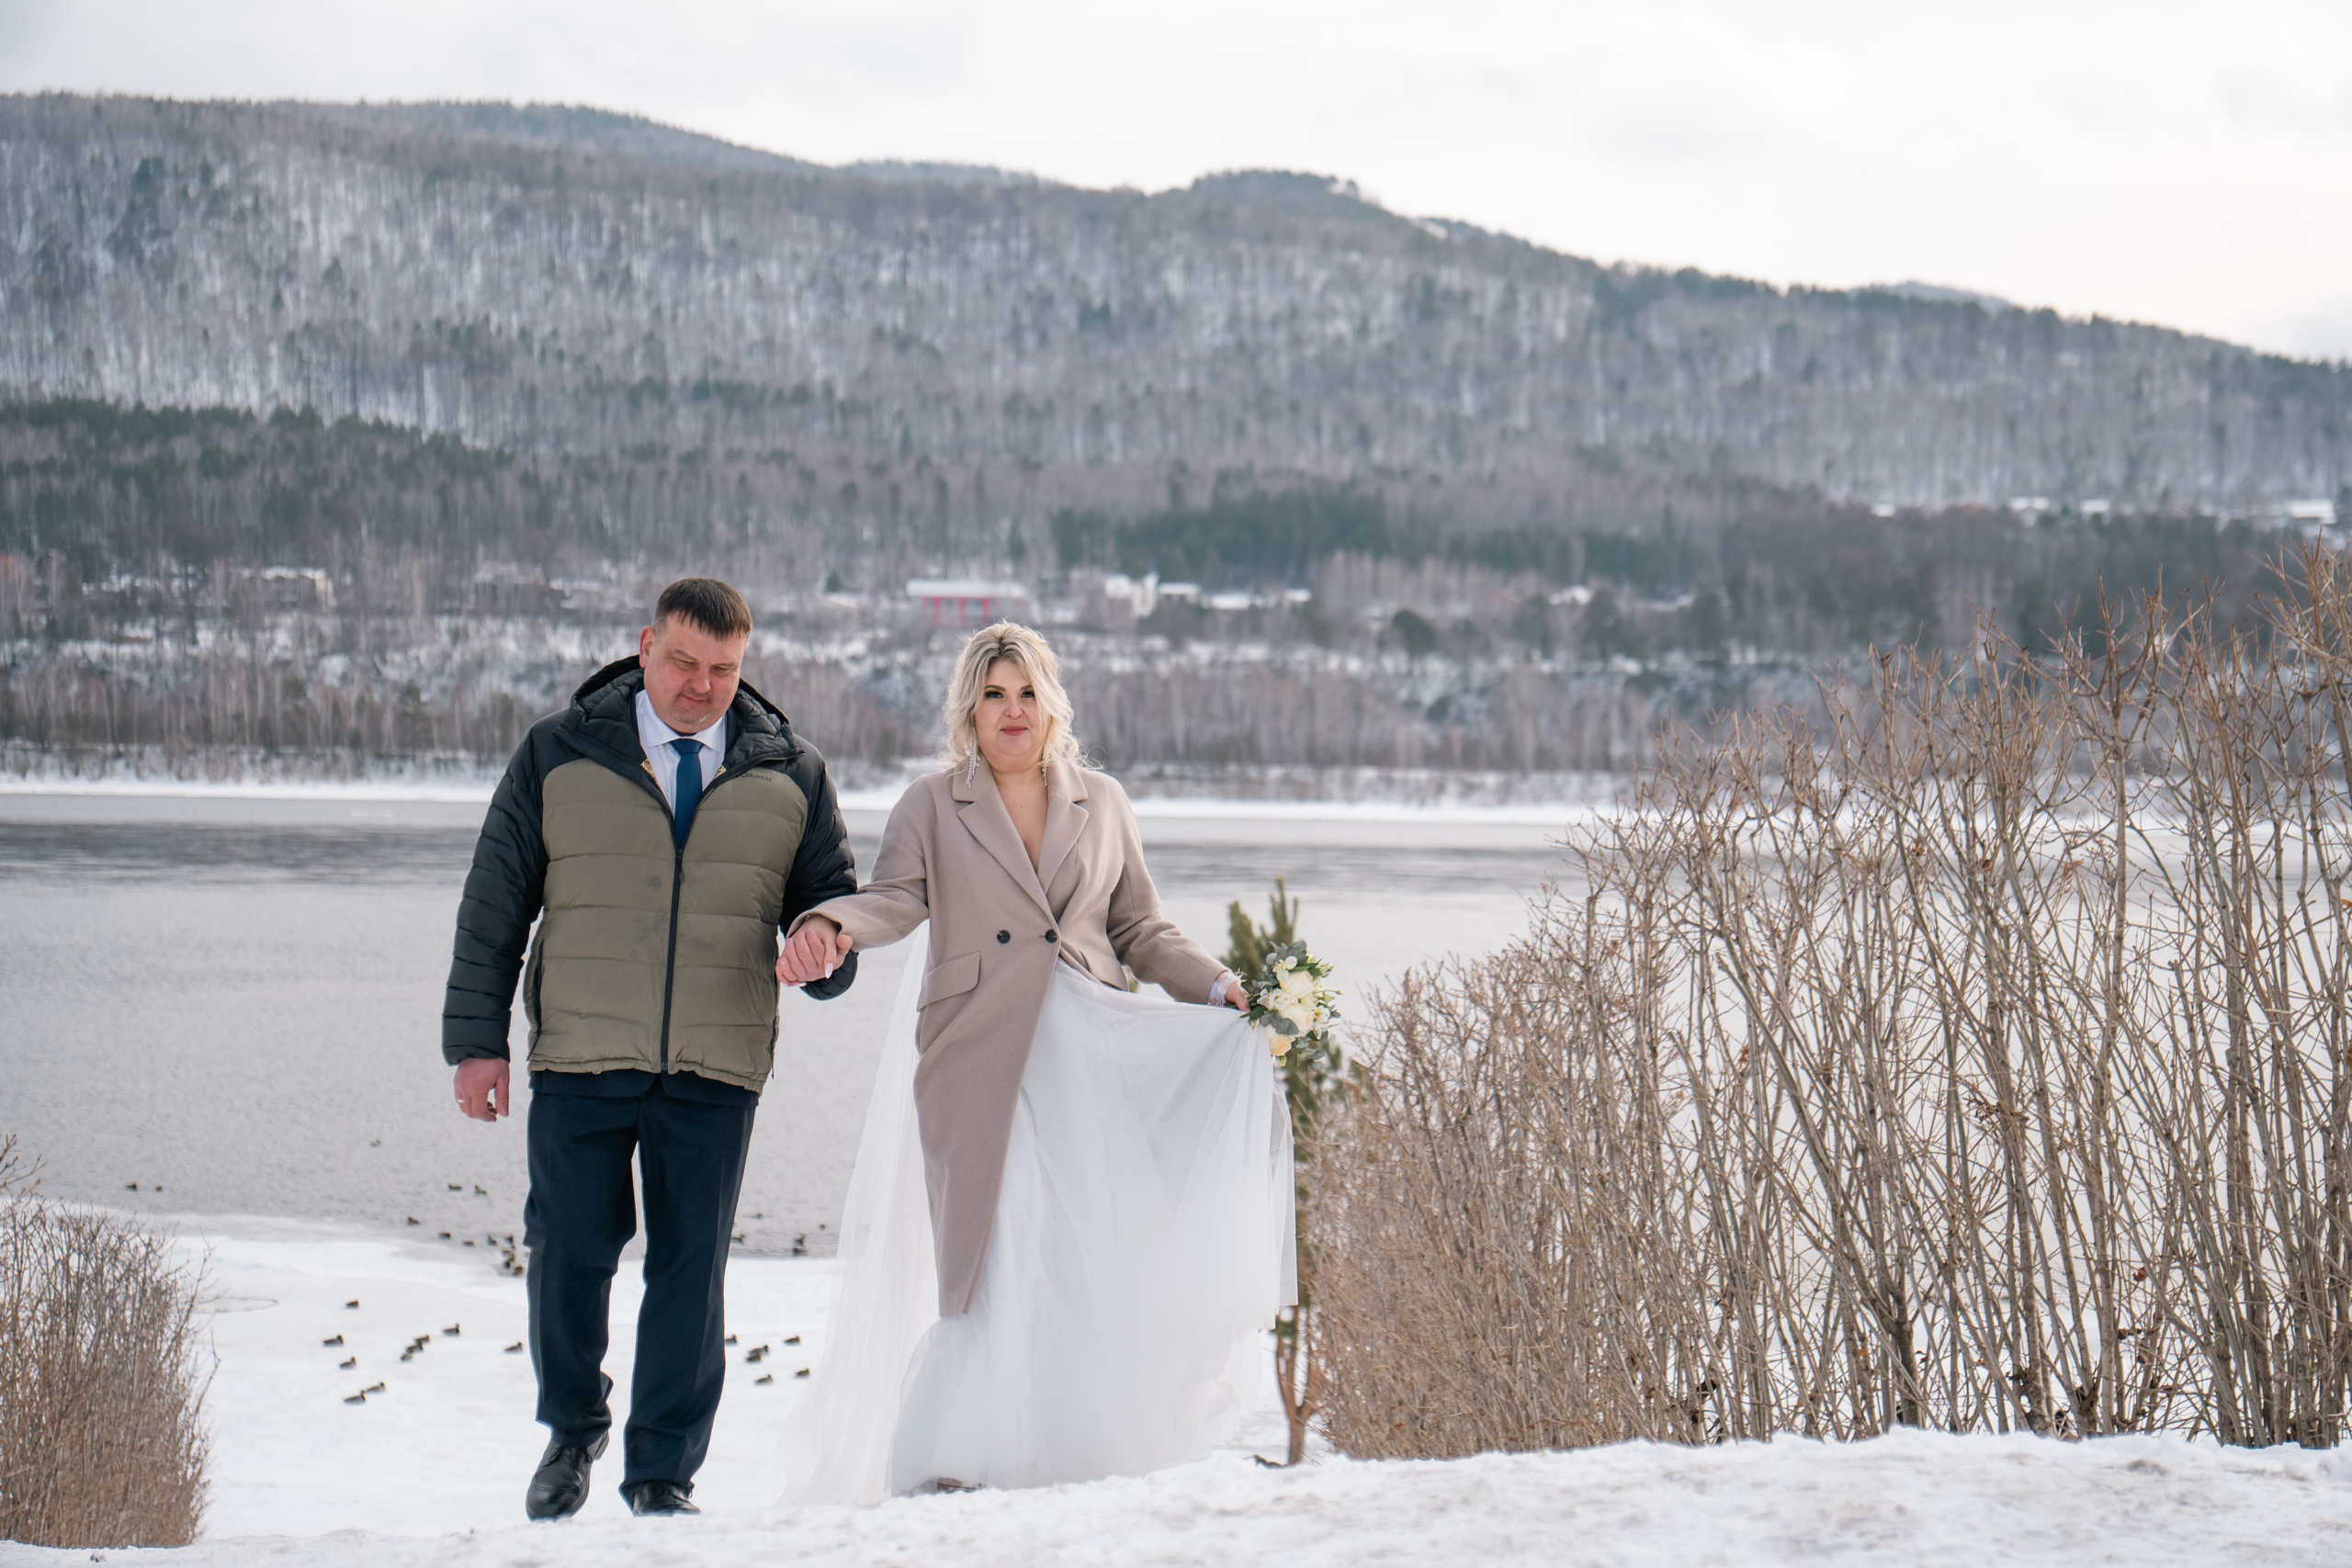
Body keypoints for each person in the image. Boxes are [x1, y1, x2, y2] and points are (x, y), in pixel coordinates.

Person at [774, 621, 1294, 1500]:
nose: (1012, 711)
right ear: (968, 709)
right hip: (976, 1058)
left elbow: (1139, 928)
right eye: (993, 693)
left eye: (1026, 693)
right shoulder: (932, 805)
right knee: (995, 1249)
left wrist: (1217, 987)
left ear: (1051, 703)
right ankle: (957, 1459)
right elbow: (894, 900)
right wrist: (826, 925)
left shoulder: (1104, 801)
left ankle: (1067, 1450)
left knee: (1072, 1252)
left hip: (1089, 1059)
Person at [441, 577, 861, 1519]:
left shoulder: (791, 771)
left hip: (717, 1063)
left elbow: (833, 905)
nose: (700, 685)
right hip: (582, 1054)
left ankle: (661, 1472)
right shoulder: (558, 752)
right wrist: (478, 1042)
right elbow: (493, 905)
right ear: (644, 647)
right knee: (567, 1249)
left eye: (722, 668)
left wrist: (826, 946)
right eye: (682, 661)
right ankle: (571, 1432)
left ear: (743, 667)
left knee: (689, 1266)